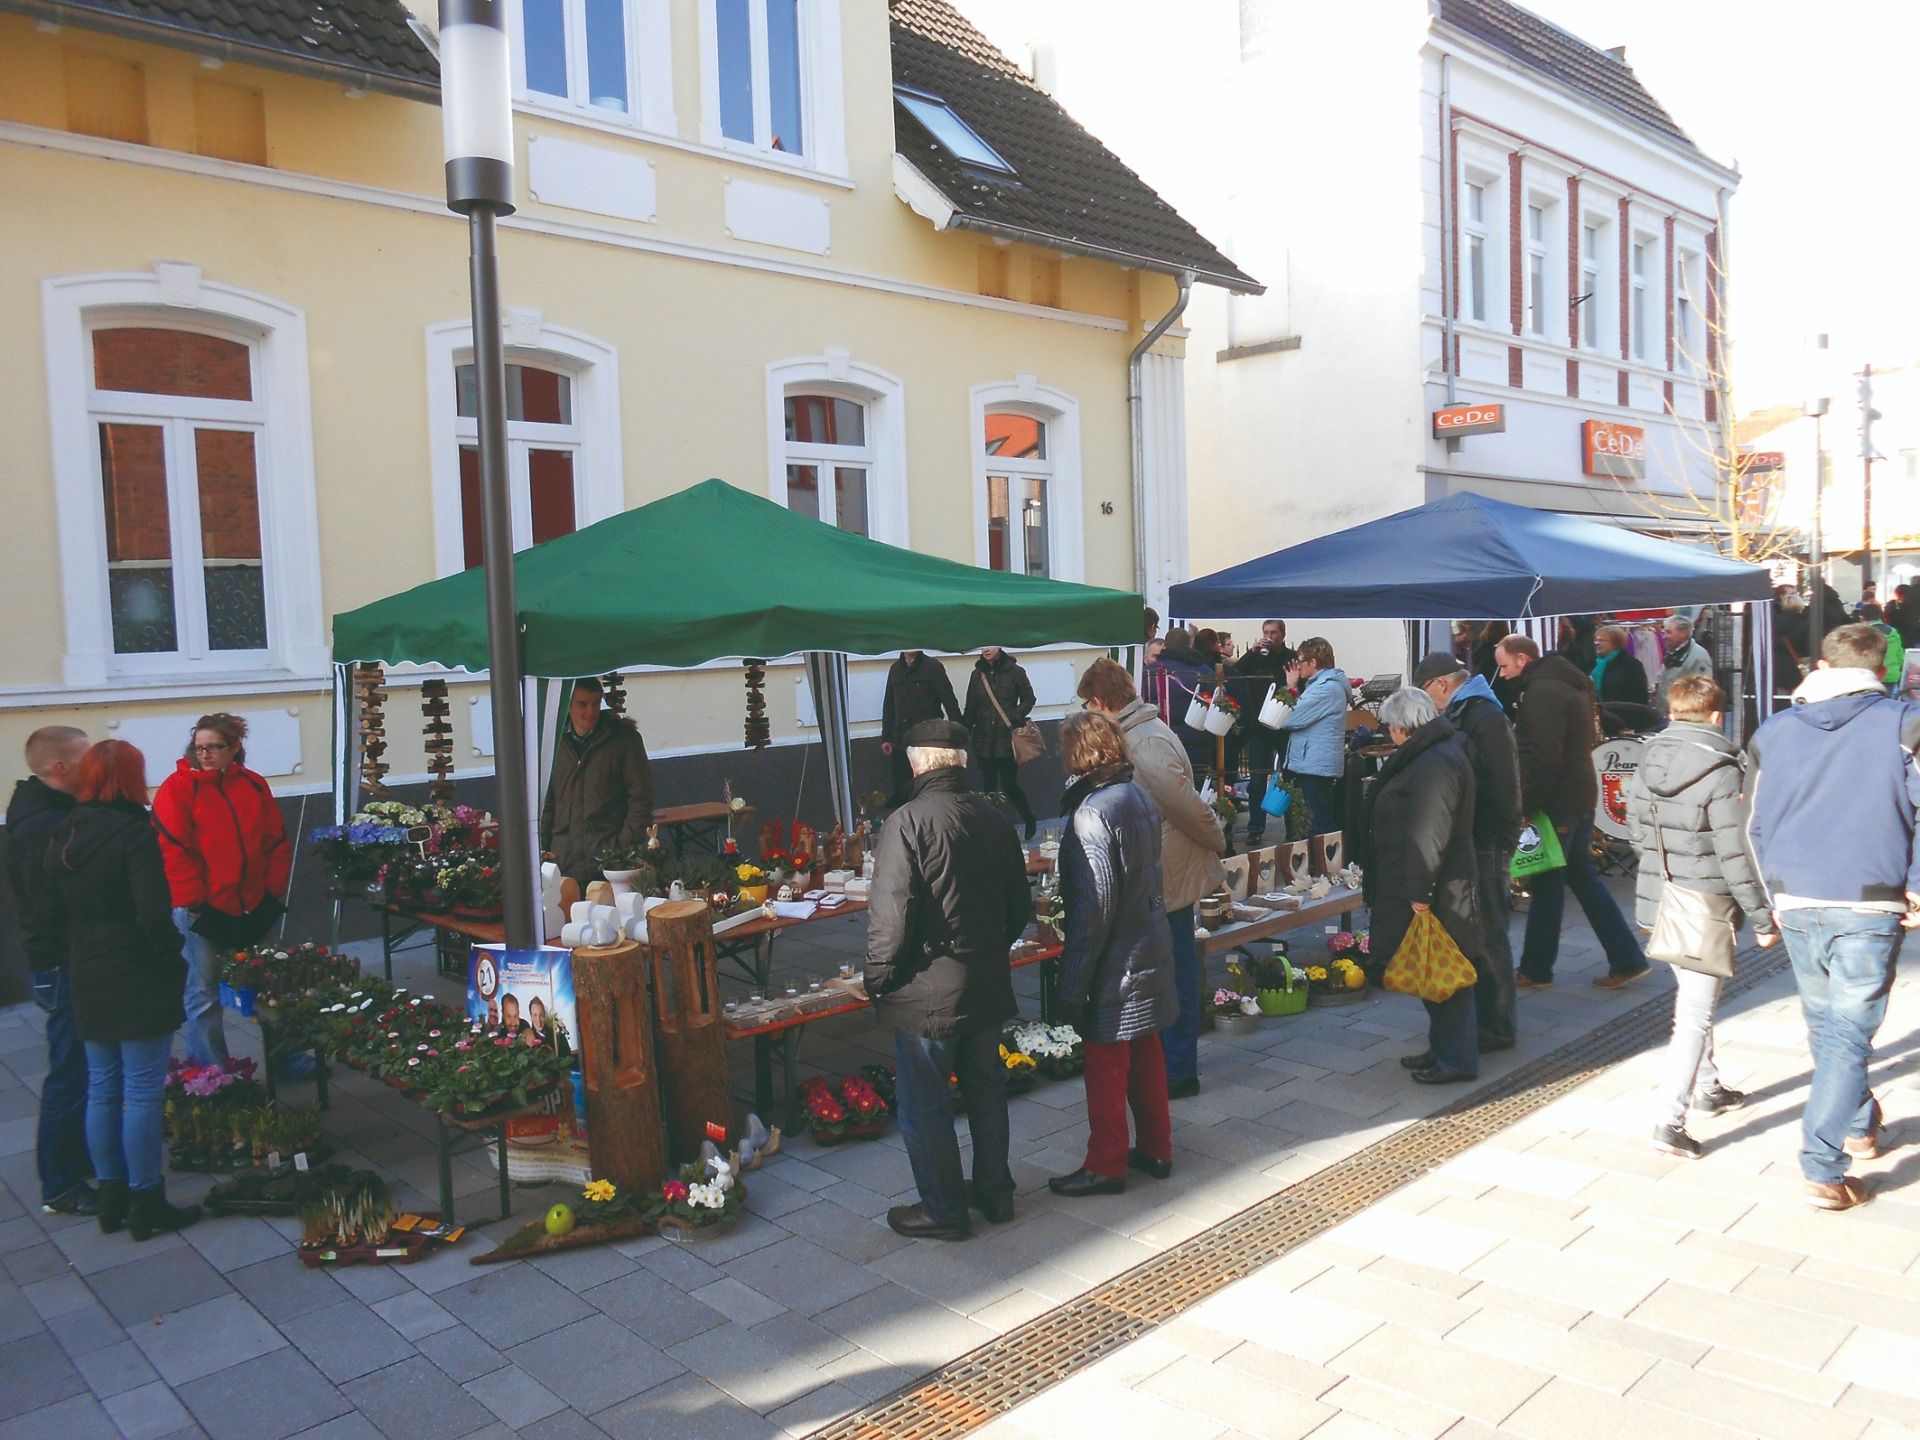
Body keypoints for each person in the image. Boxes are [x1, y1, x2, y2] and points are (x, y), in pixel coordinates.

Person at [1748, 623, 1920, 1211]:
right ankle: (1822, 1165)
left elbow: (1755, 823)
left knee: (1830, 1027)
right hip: (1869, 894)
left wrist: (1770, 890)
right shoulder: (1903, 724)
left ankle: (1859, 1122)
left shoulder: (1775, 730)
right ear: (1879, 667)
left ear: (1822, 664)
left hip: (1797, 893)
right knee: (1844, 1031)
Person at [864, 719, 1033, 1239]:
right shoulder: (995, 817)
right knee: (985, 1090)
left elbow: (891, 917)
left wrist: (878, 978)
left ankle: (942, 1207)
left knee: (926, 1103)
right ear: (960, 762)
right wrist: (984, 952)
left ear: (917, 764)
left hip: (928, 991)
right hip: (982, 978)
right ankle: (995, 1193)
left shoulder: (906, 822)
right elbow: (1018, 909)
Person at [46, 741, 200, 1240]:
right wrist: (171, 954)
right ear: (132, 778)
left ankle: (112, 1196)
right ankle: (144, 1198)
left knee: (102, 1085)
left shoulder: (65, 829)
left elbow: (50, 906)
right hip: (133, 966)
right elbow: (153, 912)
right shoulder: (134, 832)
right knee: (140, 1091)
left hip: (86, 963)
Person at [1625, 674, 1774, 1160]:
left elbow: (1635, 829)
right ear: (1715, 715)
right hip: (1705, 903)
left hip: (1660, 895)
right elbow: (1737, 852)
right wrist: (1763, 917)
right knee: (1693, 1013)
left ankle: (1707, 1088)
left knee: (1694, 996)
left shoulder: (1648, 758)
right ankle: (1670, 1120)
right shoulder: (1724, 768)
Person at [1078, 658, 1226, 1099]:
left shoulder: (1142, 741)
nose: (1087, 710)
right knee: (1168, 967)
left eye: (1089, 702)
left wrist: (1217, 838)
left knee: (1174, 969)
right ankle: (1171, 1063)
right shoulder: (1141, 730)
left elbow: (1185, 804)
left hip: (1170, 870)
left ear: (1104, 701)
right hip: (1164, 866)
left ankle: (1180, 1069)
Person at [1047, 712, 1177, 1195]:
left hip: (1116, 958)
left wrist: (1072, 980)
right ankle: (1157, 1147)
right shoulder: (1136, 794)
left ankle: (1106, 1162)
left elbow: (1093, 908)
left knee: (1106, 1060)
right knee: (1145, 1050)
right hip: (1146, 941)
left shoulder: (1092, 812)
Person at [1494, 635, 1650, 989]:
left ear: (1522, 659)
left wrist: (1526, 805)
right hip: (1575, 795)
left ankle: (1537, 969)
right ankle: (1625, 958)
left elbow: (1543, 756)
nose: (1501, 675)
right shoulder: (1563, 681)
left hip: (1560, 800)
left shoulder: (1543, 691)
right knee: (1576, 878)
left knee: (1552, 882)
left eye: (1503, 666)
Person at [1356, 688, 1483, 1084]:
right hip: (1430, 882)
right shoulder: (1433, 754)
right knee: (1432, 966)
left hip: (1438, 888)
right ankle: (1443, 1048)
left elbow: (1429, 833)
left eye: (1390, 727)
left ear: (1400, 727)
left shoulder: (1435, 762)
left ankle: (1457, 1058)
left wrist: (1419, 893)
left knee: (1448, 970)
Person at [151, 713, 291, 1067]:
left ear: (234, 748)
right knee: (203, 993)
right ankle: (212, 1071)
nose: (206, 754)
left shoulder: (254, 785)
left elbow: (275, 839)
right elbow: (173, 851)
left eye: (214, 747)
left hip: (256, 901)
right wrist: (195, 901)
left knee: (271, 985)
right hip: (205, 909)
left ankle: (285, 1059)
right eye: (200, 747)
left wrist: (273, 887)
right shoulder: (176, 789)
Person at [7, 726, 98, 1216]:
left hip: (62, 959)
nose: (95, 763)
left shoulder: (45, 809)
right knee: (71, 1072)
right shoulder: (43, 824)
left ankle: (78, 1164)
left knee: (78, 1068)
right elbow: (49, 908)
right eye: (86, 756)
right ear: (61, 767)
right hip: (64, 962)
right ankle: (62, 1184)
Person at [1414, 654, 1521, 1053]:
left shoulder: (1484, 717)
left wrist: (1488, 840)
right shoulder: (1469, 712)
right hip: (1477, 839)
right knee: (1479, 931)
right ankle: (1485, 1020)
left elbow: (1501, 788)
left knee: (1489, 933)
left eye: (1427, 693)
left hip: (1487, 840)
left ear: (1443, 684)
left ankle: (1497, 1026)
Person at [540, 678, 654, 885]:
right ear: (568, 705)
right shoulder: (554, 741)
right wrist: (543, 849)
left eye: (595, 703)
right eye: (582, 704)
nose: (590, 712)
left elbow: (641, 799)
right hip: (563, 861)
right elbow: (547, 802)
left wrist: (621, 847)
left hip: (610, 862)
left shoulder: (624, 740)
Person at [1273, 637, 1349, 835]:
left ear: (1313, 663)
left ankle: (1325, 863)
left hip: (1316, 766)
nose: (1297, 666)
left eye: (1300, 661)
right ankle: (1315, 862)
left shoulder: (1327, 688)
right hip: (1310, 762)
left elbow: (1290, 717)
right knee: (1308, 820)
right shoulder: (1318, 685)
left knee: (1318, 822)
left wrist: (1290, 687)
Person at [962, 646, 1038, 840]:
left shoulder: (1016, 672)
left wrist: (1015, 715)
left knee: (1010, 785)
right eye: (982, 646)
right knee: (988, 788)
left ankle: (1029, 818)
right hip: (984, 740)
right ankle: (993, 830)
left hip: (1006, 740)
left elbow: (1029, 699)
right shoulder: (976, 674)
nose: (985, 649)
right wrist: (963, 733)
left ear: (999, 647)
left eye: (990, 645)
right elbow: (970, 706)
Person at [1235, 620, 1297, 843]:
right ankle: (1255, 827)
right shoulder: (1256, 657)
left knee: (1288, 776)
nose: (1269, 636)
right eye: (1266, 632)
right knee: (1258, 778)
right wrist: (1251, 653)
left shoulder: (1290, 657)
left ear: (1282, 635)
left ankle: (1292, 827)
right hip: (1258, 726)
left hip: (1284, 725)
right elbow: (1234, 674)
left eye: (1273, 633)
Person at [880, 650, 962, 807]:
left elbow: (949, 701)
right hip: (901, 742)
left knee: (928, 791)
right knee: (902, 791)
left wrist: (958, 734)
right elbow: (889, 706)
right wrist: (886, 737)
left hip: (927, 743)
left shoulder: (933, 667)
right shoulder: (895, 669)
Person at [1155, 626, 1215, 779]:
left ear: (1165, 646)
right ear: (1190, 645)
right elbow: (1219, 704)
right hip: (1198, 742)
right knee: (1195, 790)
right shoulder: (1205, 671)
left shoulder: (1149, 672)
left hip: (1159, 741)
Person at [1653, 615, 1715, 715]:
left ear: (1683, 633)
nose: (1664, 637)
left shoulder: (1698, 656)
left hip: (1684, 717)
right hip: (1670, 715)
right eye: (1664, 632)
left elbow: (1701, 691)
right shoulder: (1674, 653)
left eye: (1669, 632)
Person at [1591, 625, 1651, 709]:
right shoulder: (1594, 664)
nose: (1597, 643)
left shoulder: (1631, 665)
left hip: (1623, 714)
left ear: (1615, 643)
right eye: (1596, 640)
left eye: (1602, 640)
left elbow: (1639, 696)